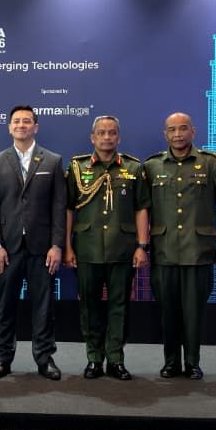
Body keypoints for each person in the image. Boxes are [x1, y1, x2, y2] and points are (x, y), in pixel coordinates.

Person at [142, 112, 216, 379]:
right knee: (168, 312)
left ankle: (192, 362)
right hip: (164, 250)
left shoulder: (211, 163)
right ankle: (171, 362)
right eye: (172, 129)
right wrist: (142, 245)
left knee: (194, 312)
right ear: (165, 134)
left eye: (183, 129)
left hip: (198, 251)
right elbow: (143, 209)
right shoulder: (152, 166)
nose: (178, 134)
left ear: (193, 131)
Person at [0, 105, 66, 380]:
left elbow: (59, 207)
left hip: (42, 249)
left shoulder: (53, 160)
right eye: (16, 121)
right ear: (9, 127)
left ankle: (45, 359)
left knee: (43, 307)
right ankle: (1, 359)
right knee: (5, 307)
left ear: (35, 127)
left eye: (27, 121)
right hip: (7, 249)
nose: (21, 125)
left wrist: (57, 245)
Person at [64, 116, 151, 380]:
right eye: (101, 133)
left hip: (122, 249)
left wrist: (142, 246)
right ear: (92, 137)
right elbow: (68, 209)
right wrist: (67, 246)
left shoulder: (133, 167)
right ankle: (93, 359)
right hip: (87, 249)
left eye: (112, 133)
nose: (106, 137)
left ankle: (115, 359)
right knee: (89, 307)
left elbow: (141, 209)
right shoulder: (77, 167)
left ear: (118, 137)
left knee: (119, 306)